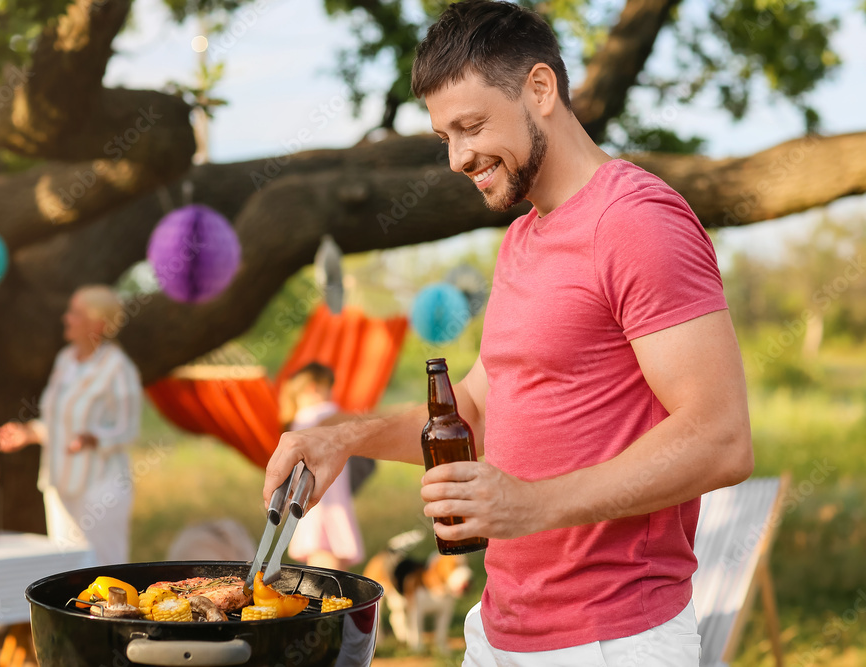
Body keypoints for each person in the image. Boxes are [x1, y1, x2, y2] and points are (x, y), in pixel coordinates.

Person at [264, 2, 753, 664]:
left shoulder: (638, 222)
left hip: (610, 639)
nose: (460, 157)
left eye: (471, 126)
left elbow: (721, 439)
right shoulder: (524, 237)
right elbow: (471, 410)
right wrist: (339, 436)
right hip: (500, 627)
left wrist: (528, 505)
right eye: (446, 138)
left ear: (541, 89)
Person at [0, 285, 142, 565]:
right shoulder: (65, 360)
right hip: (58, 482)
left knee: (104, 568)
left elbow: (128, 428)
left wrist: (93, 438)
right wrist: (29, 433)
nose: (66, 318)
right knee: (66, 569)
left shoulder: (118, 368)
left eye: (75, 313)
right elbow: (57, 420)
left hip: (100, 487)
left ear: (97, 324)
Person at [279, 362, 364, 570]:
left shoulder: (299, 422)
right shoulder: (321, 414)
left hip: (313, 507)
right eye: (330, 388)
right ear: (314, 388)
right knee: (328, 584)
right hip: (327, 507)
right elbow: (353, 422)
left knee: (322, 573)